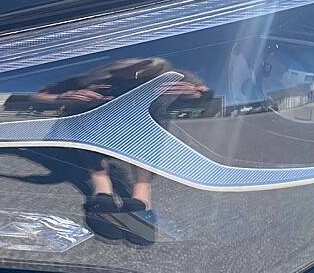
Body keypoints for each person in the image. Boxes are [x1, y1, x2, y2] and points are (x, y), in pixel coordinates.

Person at [31, 58, 210, 245]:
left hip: (145, 129)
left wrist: (192, 93)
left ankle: (142, 191)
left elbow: (204, 93)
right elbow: (37, 96)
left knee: (151, 113)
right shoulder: (92, 76)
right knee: (91, 113)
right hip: (97, 127)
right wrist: (64, 97)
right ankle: (102, 186)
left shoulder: (175, 75)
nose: (135, 74)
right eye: (126, 73)